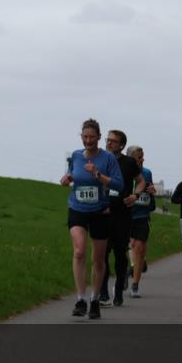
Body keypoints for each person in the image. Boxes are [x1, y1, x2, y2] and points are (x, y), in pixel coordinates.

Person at [61, 118, 123, 320]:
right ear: (81, 137)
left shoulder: (108, 159)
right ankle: (80, 299)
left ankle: (95, 300)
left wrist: (97, 174)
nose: (88, 140)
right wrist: (67, 178)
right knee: (79, 251)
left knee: (98, 259)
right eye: (85, 137)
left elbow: (119, 185)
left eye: (92, 137)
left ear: (98, 137)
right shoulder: (76, 156)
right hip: (77, 208)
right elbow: (71, 174)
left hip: (100, 211)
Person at [99, 130, 145, 307]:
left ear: (121, 145)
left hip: (123, 215)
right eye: (107, 140)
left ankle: (118, 289)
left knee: (120, 254)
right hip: (102, 213)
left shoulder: (129, 162)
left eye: (113, 141)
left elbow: (140, 181)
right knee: (101, 254)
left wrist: (135, 195)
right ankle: (103, 292)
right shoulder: (100, 159)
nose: (109, 143)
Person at [127, 146, 156, 298]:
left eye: (143, 156)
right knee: (130, 245)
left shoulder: (147, 172)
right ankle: (128, 269)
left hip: (142, 216)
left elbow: (150, 191)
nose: (142, 159)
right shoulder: (123, 170)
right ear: (131, 158)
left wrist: (151, 191)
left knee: (139, 249)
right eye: (139, 157)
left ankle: (135, 285)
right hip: (127, 216)